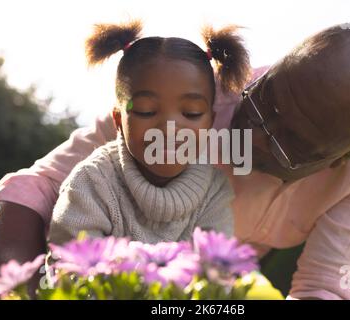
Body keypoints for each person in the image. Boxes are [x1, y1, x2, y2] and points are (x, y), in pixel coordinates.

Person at [0, 23, 350, 300]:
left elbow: (326, 285)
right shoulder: (188, 103)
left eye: (289, 142)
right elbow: (34, 187)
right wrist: (17, 290)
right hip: (167, 239)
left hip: (282, 245)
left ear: (341, 157)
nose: (251, 137)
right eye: (263, 104)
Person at [48, 20, 251, 244]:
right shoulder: (93, 182)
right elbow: (72, 266)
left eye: (191, 113)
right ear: (118, 120)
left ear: (210, 123)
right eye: (146, 111)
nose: (169, 128)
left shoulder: (215, 193)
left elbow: (216, 269)